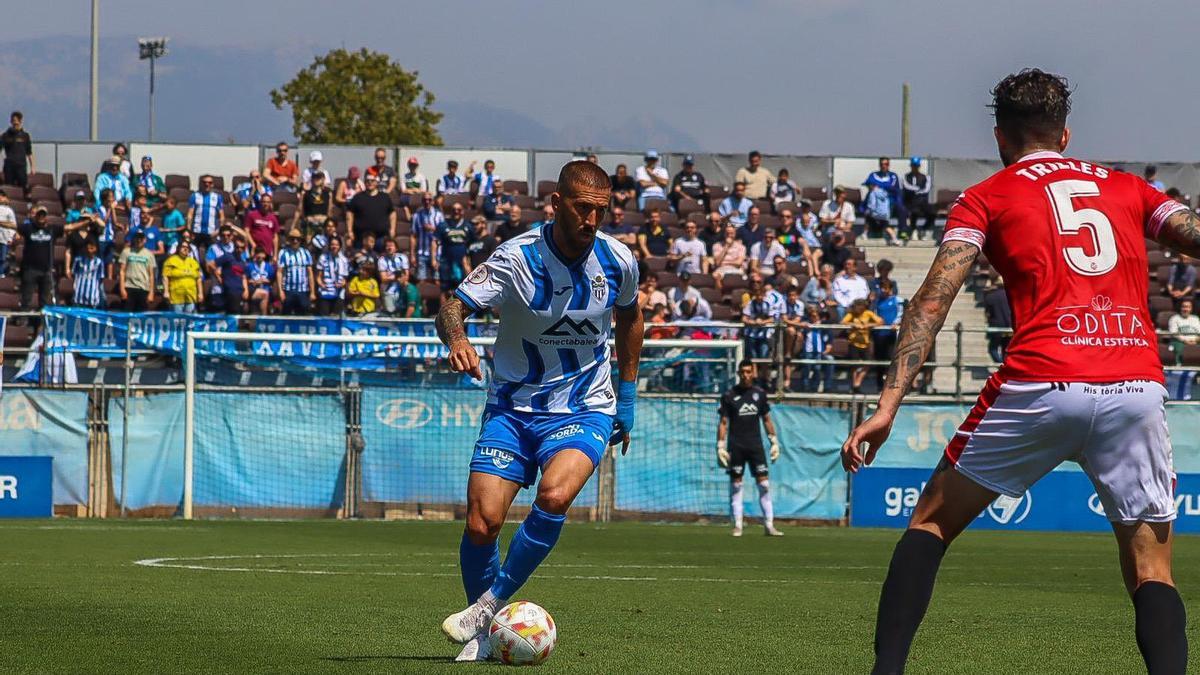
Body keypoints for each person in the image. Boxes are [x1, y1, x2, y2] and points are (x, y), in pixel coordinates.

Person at [843, 68, 1196, 675]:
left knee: (930, 521)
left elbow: (933, 298)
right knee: (1151, 567)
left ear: (1001, 138)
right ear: (1065, 133)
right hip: (1134, 385)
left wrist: (888, 404)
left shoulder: (987, 196)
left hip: (1042, 383)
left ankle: (887, 671)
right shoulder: (1127, 188)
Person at [436, 161, 642, 662]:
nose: (592, 219)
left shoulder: (619, 261)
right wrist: (458, 338)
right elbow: (452, 306)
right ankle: (484, 635)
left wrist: (629, 395)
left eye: (601, 209)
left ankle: (488, 607)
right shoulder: (516, 257)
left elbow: (632, 316)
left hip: (585, 405)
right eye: (581, 207)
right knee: (483, 524)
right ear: (556, 203)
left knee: (553, 495)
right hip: (512, 406)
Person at [717, 360, 783, 537]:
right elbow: (723, 422)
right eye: (742, 372)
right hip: (736, 446)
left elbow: (767, 419)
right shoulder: (729, 395)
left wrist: (774, 441)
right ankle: (738, 525)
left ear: (753, 373)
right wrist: (720, 445)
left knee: (764, 485)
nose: (745, 375)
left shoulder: (759, 394)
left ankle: (769, 525)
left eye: (748, 372)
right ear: (738, 373)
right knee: (737, 486)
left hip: (755, 446)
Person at [7, 206, 59, 309]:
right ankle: (22, 320)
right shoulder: (29, 228)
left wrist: (85, 222)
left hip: (46, 270)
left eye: (43, 215)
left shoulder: (52, 229)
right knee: (26, 298)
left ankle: (42, 323)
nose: (41, 217)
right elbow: (14, 226)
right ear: (35, 216)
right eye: (39, 214)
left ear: (46, 217)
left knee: (44, 301)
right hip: (30, 269)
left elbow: (69, 228)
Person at [346, 173, 396, 252]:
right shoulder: (357, 197)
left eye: (372, 181)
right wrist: (350, 231)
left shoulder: (385, 197)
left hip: (381, 238)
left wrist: (392, 229)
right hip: (361, 239)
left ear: (376, 182)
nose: (370, 183)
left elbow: (392, 213)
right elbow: (350, 213)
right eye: (367, 181)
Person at [872, 279, 903, 388]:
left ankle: (891, 382)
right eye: (882, 288)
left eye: (885, 288)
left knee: (891, 357)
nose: (883, 290)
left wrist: (895, 323)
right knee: (880, 358)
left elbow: (900, 313)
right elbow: (875, 313)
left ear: (890, 289)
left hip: (891, 333)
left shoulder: (897, 300)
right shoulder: (878, 301)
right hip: (880, 333)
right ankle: (879, 384)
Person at [276, 229, 316, 315]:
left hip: (303, 291)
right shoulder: (283, 253)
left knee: (302, 317)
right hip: (288, 290)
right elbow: (279, 272)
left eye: (297, 239)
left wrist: (312, 292)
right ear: (289, 240)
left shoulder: (306, 253)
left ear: (300, 240)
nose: (295, 241)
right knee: (286, 316)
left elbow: (310, 273)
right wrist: (280, 291)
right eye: (292, 239)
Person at [864, 157, 906, 234]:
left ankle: (902, 232)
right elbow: (870, 185)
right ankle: (874, 231)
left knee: (902, 209)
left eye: (886, 164)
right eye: (882, 164)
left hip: (890, 201)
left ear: (888, 165)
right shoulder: (873, 175)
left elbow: (893, 188)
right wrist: (882, 187)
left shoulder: (893, 176)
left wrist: (879, 186)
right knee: (871, 209)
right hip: (877, 202)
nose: (884, 166)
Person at [1168, 299, 1200, 400]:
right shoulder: (1174, 318)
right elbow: (1174, 333)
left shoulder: (1195, 319)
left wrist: (1195, 340)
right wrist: (1186, 341)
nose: (1185, 309)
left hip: (1195, 341)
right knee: (1178, 346)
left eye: (1188, 307)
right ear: (1180, 308)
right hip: (1180, 341)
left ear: (1191, 308)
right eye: (1184, 306)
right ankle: (1179, 370)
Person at [741, 277, 779, 360]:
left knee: (764, 356)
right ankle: (754, 372)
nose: (759, 297)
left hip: (764, 334)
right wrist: (754, 322)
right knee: (753, 358)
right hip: (752, 334)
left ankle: (764, 372)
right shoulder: (750, 304)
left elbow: (772, 319)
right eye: (757, 295)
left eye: (761, 295)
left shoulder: (768, 304)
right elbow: (744, 319)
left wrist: (763, 322)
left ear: (764, 295)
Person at [799, 303, 834, 393]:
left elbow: (829, 343)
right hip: (808, 350)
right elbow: (800, 337)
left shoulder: (824, 326)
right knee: (806, 368)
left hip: (819, 351)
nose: (814, 318)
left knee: (817, 369)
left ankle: (816, 387)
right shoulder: (806, 326)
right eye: (812, 316)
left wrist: (825, 352)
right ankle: (805, 386)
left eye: (816, 316)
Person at [118, 231, 157, 312]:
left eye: (141, 238)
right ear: (134, 239)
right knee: (127, 315)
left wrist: (151, 292)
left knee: (141, 316)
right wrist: (122, 289)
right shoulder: (126, 251)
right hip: (129, 287)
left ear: (145, 240)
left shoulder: (149, 254)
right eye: (137, 238)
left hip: (143, 288)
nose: (139, 240)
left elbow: (151, 275)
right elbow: (122, 271)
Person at [162, 240, 202, 313]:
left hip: (191, 296)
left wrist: (200, 293)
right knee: (177, 321)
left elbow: (198, 279)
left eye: (187, 247)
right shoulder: (170, 261)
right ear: (178, 248)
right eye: (183, 247)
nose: (185, 249)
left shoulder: (194, 262)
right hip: (176, 297)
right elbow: (165, 277)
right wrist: (166, 291)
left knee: (190, 321)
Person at [212, 237, 250, 315]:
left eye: (242, 247)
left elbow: (244, 277)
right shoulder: (228, 256)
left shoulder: (243, 262)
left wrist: (246, 290)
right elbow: (211, 264)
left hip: (240, 291)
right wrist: (218, 276)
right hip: (230, 291)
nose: (239, 249)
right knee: (233, 314)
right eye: (237, 247)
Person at [412, 193, 445, 282]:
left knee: (437, 281)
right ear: (422, 201)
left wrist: (433, 229)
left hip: (437, 253)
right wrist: (412, 255)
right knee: (421, 281)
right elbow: (413, 236)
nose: (427, 202)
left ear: (433, 201)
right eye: (424, 200)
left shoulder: (439, 216)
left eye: (429, 200)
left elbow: (444, 234)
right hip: (422, 252)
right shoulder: (417, 216)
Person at [902, 157, 936, 241]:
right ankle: (914, 230)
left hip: (922, 201)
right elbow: (906, 186)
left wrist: (918, 192)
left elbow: (927, 189)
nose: (915, 167)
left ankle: (923, 229)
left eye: (916, 166)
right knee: (914, 211)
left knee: (932, 213)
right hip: (910, 201)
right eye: (913, 165)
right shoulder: (906, 176)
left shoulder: (925, 177)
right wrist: (917, 189)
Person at [186, 175, 225, 247]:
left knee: (211, 255)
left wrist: (218, 230)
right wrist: (189, 230)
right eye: (205, 182)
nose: (207, 184)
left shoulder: (218, 197)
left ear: (212, 184)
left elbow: (222, 216)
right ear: (201, 184)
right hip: (196, 231)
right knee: (193, 253)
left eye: (209, 183)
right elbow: (190, 214)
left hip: (211, 232)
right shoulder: (194, 196)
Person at [315, 236, 350, 316]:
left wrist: (342, 284)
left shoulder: (344, 260)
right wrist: (321, 284)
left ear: (340, 246)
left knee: (336, 316)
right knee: (324, 317)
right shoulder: (323, 257)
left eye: (337, 245)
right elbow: (318, 276)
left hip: (339, 293)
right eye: (332, 244)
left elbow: (345, 278)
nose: (334, 247)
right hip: (325, 292)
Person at [377, 237, 410, 316]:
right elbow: (383, 278)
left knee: (400, 314)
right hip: (388, 292)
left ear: (396, 247)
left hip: (401, 290)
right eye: (387, 246)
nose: (389, 248)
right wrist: (396, 276)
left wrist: (394, 277)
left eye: (391, 245)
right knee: (390, 313)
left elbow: (406, 275)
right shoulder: (382, 260)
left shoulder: (402, 258)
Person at [69, 238, 106, 309]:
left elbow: (101, 279)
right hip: (79, 296)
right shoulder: (78, 260)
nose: (89, 251)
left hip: (92, 297)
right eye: (87, 248)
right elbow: (74, 274)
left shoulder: (99, 263)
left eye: (91, 248)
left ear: (96, 248)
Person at [983, 274, 1012, 362]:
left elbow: (988, 313)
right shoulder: (1011, 296)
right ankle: (1004, 365)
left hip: (996, 326)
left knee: (993, 348)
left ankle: (1000, 363)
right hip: (1009, 325)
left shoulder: (990, 297)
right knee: (1006, 348)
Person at [1, 111, 33, 189]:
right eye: (13, 121)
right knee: (9, 188)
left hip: (21, 166)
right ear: (11, 121)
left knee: (22, 188)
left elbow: (29, 152)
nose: (15, 124)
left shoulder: (25, 136)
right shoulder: (5, 135)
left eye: (16, 122)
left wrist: (32, 167)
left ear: (20, 121)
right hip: (9, 167)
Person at [296, 171, 332, 240]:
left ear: (323, 180)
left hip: (323, 223)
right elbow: (299, 210)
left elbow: (330, 211)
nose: (316, 179)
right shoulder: (305, 194)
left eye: (318, 178)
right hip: (310, 224)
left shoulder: (328, 194)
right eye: (314, 177)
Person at [243, 193, 281, 259]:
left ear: (270, 203)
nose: (265, 204)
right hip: (255, 251)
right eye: (264, 202)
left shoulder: (273, 218)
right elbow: (246, 231)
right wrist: (253, 244)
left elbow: (275, 236)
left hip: (268, 251)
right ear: (260, 202)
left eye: (268, 202)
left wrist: (275, 254)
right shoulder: (252, 215)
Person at [246, 247, 274, 315]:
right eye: (258, 254)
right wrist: (254, 282)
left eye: (262, 254)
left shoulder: (269, 267)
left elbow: (272, 281)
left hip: (266, 290)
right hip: (254, 291)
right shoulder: (249, 266)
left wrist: (265, 281)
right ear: (255, 255)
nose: (260, 256)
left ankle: (264, 318)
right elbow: (246, 280)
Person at [0, 192, 16, 277]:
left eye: (2, 197)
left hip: (4, 239)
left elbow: (13, 225)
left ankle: (1, 273)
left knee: (2, 258)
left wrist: (10, 238)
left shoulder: (9, 211)